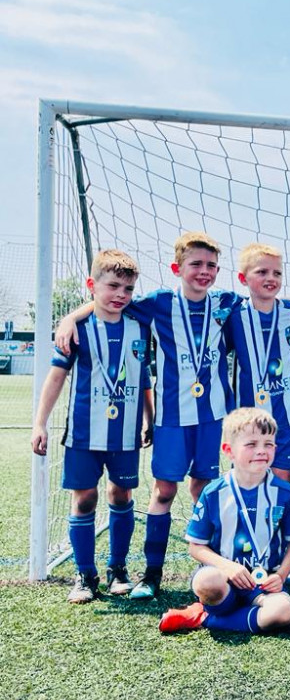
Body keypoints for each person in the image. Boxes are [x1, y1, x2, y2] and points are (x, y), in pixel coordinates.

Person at [56, 232, 241, 599]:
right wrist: (70, 318)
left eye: (211, 266)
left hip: (212, 417)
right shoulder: (157, 303)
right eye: (196, 264)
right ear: (177, 268)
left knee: (206, 489)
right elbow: (109, 302)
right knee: (164, 490)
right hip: (171, 418)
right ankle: (152, 573)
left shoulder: (226, 301)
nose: (204, 272)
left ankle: (213, 566)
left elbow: (268, 299)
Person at [31, 250, 153, 603]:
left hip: (125, 433)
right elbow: (55, 379)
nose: (121, 294)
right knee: (84, 499)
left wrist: (149, 417)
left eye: (128, 288)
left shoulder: (139, 326)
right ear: (92, 285)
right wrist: (40, 423)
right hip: (84, 433)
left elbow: (143, 376)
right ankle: (85, 574)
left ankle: (118, 568)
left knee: (121, 494)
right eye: (113, 285)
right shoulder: (78, 330)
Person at [158, 408, 290, 633]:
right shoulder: (213, 492)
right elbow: (196, 546)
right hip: (223, 580)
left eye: (268, 444)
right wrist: (227, 567)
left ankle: (202, 618)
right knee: (205, 581)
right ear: (229, 450)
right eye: (251, 444)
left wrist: (281, 575)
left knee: (283, 611)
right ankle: (220, 610)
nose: (261, 451)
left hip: (264, 583)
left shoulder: (285, 492)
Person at [227, 243, 290, 481]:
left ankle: (275, 519)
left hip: (287, 412)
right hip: (247, 413)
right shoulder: (232, 313)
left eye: (277, 273)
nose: (271, 278)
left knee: (281, 480)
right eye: (262, 272)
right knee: (248, 477)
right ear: (243, 278)